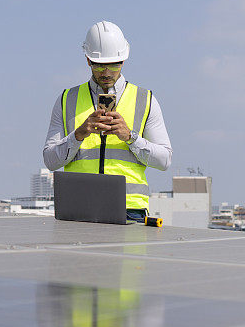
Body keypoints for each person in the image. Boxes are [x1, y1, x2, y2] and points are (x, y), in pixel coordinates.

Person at [43, 20, 172, 221]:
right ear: (88, 60)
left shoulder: (145, 100)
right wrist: (78, 135)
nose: (107, 73)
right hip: (78, 207)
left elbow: (164, 160)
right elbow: (50, 161)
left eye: (114, 64)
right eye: (100, 65)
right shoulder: (67, 99)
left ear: (124, 60)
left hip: (130, 210)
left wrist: (130, 137)